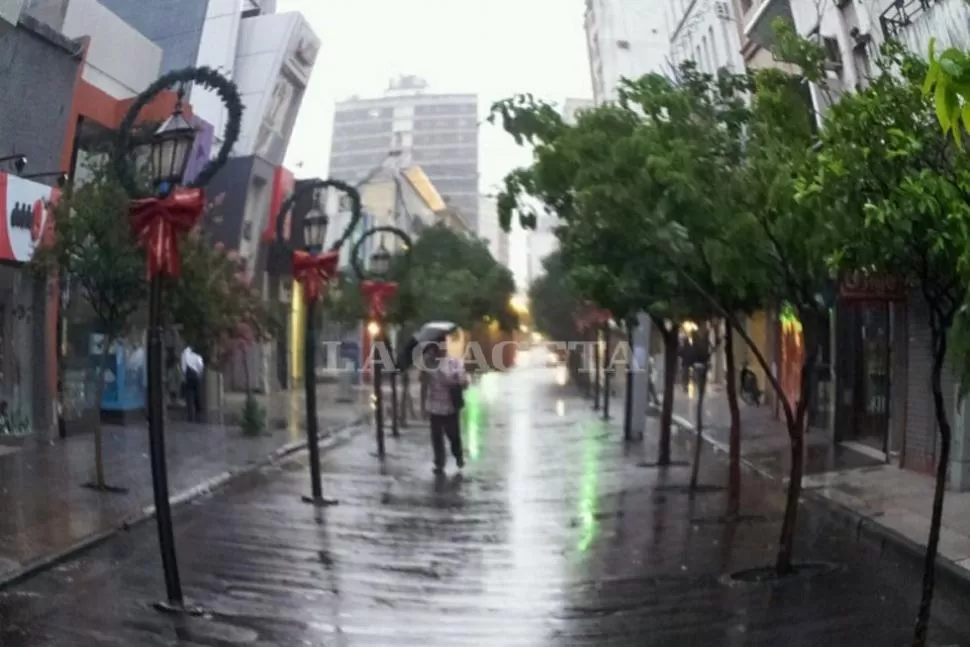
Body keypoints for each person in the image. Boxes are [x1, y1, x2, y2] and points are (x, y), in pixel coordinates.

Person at [423, 343, 469, 475]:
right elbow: (424, 385)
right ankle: (439, 463)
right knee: (436, 437)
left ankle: (458, 456)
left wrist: (456, 380)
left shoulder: (453, 363)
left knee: (453, 436)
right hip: (434, 407)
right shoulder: (428, 365)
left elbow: (463, 381)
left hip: (450, 407)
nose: (437, 351)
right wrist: (423, 405)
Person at [180, 344, 204, 422]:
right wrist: (199, 373)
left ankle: (190, 414)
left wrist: (185, 374)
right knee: (197, 393)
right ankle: (198, 411)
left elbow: (183, 367)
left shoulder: (184, 354)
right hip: (195, 374)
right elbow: (200, 366)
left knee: (189, 394)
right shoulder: (197, 355)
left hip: (188, 374)